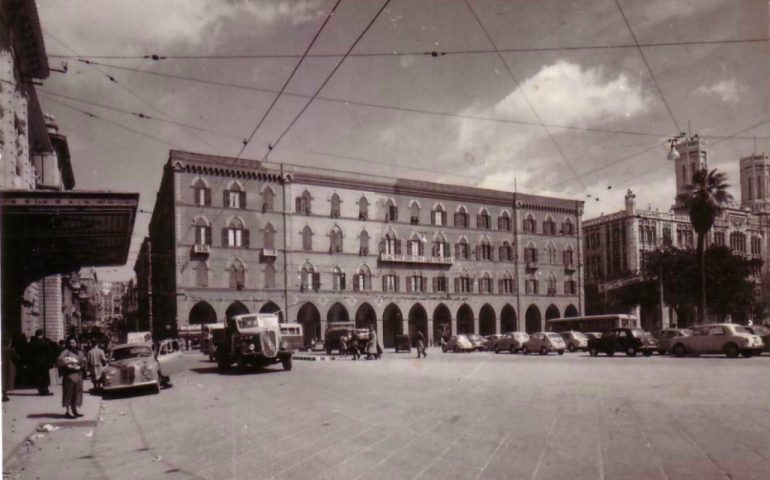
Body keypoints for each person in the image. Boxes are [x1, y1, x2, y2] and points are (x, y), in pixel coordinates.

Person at [56, 337, 86, 419]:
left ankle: (75, 410)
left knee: (77, 393)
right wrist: (68, 365)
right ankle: (68, 411)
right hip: (69, 375)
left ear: (76, 343)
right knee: (68, 393)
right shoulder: (65, 351)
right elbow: (59, 360)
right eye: (70, 342)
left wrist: (81, 366)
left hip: (78, 374)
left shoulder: (80, 352)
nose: (71, 344)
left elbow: (83, 361)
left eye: (73, 342)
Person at [28, 330, 53, 396]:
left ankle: (40, 390)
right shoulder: (46, 342)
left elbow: (29, 353)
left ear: (36, 335)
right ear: (42, 334)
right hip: (45, 361)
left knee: (38, 376)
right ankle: (46, 390)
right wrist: (50, 361)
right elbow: (50, 353)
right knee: (45, 376)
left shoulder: (32, 343)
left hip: (35, 362)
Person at [2, 337, 20, 402]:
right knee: (7, 381)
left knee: (2, 380)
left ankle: (4, 395)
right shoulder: (10, 349)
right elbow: (16, 357)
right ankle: (4, 395)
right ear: (9, 343)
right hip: (9, 366)